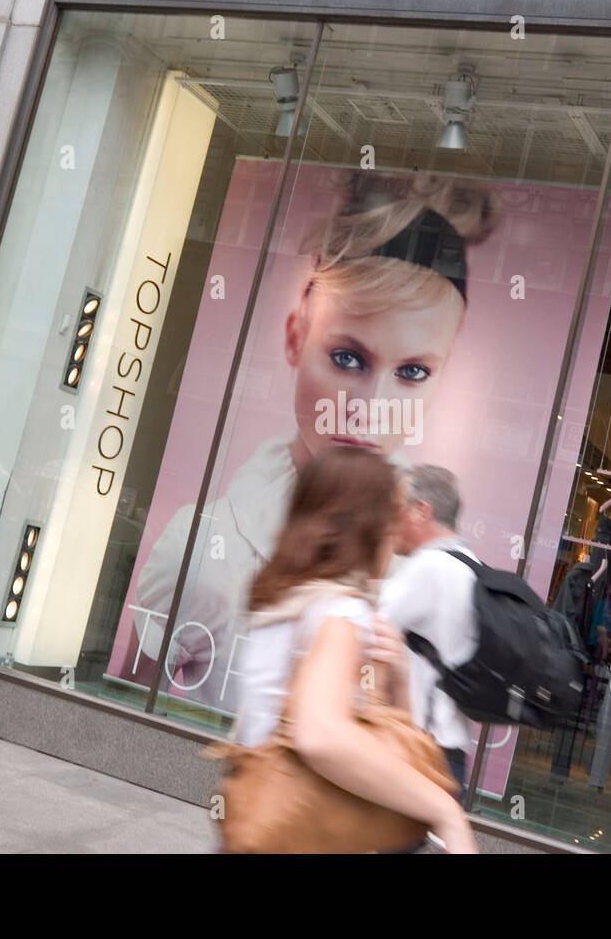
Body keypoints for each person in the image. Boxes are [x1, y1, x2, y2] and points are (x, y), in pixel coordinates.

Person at [131, 171, 499, 710]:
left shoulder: (427, 577)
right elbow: (132, 708)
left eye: (413, 373)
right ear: (295, 335)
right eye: (348, 358)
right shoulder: (204, 544)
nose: (370, 408)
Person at [233, 444, 476, 852]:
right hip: (308, 828)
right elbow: (322, 735)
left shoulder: (286, 595)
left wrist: (396, 673)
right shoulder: (341, 610)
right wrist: (444, 812)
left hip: (259, 819)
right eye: (393, 513)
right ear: (369, 524)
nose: (397, 529)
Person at [378, 464, 477, 796]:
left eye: (396, 509)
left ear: (422, 512)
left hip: (419, 747)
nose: (389, 521)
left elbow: (361, 632)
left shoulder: (427, 569)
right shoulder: (468, 564)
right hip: (451, 749)